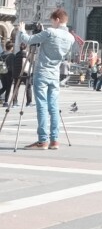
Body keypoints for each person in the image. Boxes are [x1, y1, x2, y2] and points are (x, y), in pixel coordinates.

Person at [19, 8, 74, 150]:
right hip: (55, 74)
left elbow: (28, 40)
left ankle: (43, 140)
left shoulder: (50, 32)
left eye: (52, 21)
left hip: (42, 72)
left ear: (57, 19)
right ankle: (54, 140)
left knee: (42, 105)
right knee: (54, 107)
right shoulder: (71, 37)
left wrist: (21, 30)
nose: (51, 24)